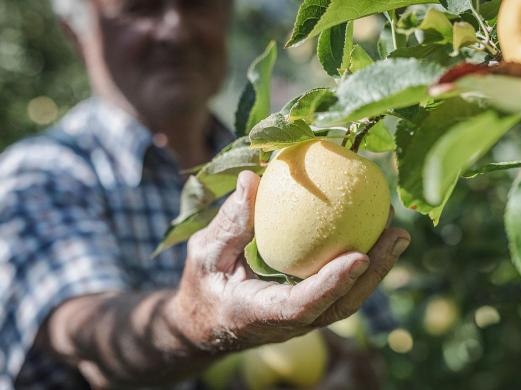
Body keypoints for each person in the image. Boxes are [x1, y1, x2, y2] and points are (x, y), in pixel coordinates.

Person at [0, 0, 411, 389]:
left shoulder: (282, 164)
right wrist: (192, 322)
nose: (176, 29)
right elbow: (89, 334)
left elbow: (369, 344)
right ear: (76, 32)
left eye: (197, 2)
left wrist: (352, 368)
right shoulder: (40, 175)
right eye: (139, 7)